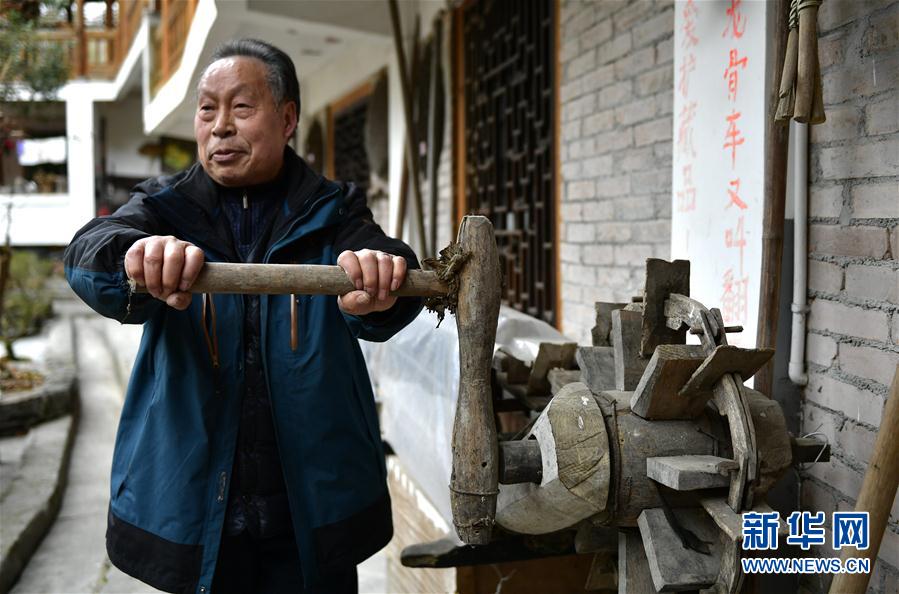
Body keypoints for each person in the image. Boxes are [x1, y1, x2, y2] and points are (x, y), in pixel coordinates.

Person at [64, 39, 423, 594]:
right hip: (195, 505)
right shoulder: (163, 207)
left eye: (241, 107)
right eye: (207, 109)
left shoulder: (334, 210)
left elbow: (390, 266)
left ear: (287, 119)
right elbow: (88, 252)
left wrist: (383, 279)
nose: (220, 127)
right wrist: (135, 256)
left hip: (310, 510)